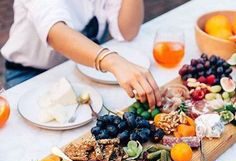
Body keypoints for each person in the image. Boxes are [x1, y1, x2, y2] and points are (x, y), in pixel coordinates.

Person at [1, 0, 161, 108]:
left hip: (84, 70)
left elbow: (128, 31)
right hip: (31, 75)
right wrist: (114, 61)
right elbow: (54, 32)